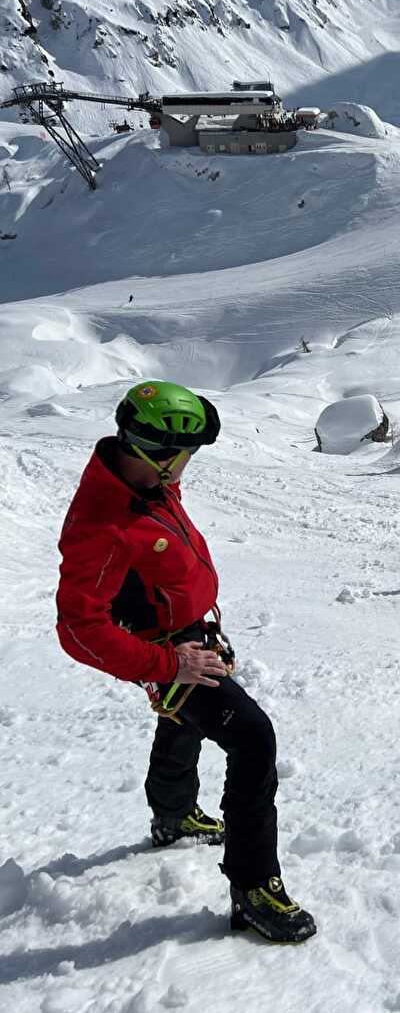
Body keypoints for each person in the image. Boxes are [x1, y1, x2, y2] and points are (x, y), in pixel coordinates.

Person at [55, 380, 315, 944]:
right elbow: (79, 629)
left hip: (186, 634)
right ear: (160, 451)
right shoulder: (104, 523)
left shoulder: (145, 478)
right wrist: (165, 665)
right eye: (187, 454)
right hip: (166, 649)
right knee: (253, 739)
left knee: (183, 721)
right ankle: (253, 889)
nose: (189, 465)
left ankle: (172, 817)